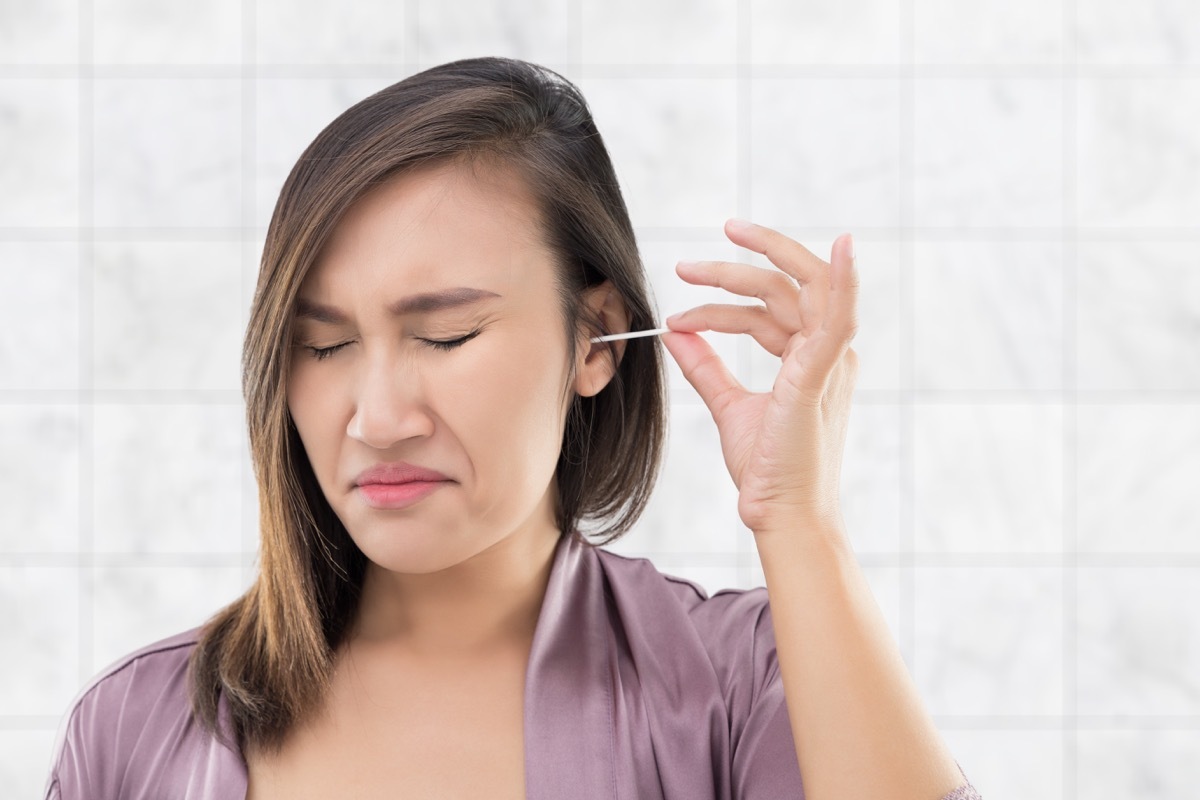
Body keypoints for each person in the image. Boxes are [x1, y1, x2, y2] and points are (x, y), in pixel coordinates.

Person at [44, 56, 982, 799]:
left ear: (596, 338)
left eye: (446, 335)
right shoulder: (133, 729)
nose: (377, 419)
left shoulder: (741, 686)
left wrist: (801, 521)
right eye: (323, 346)